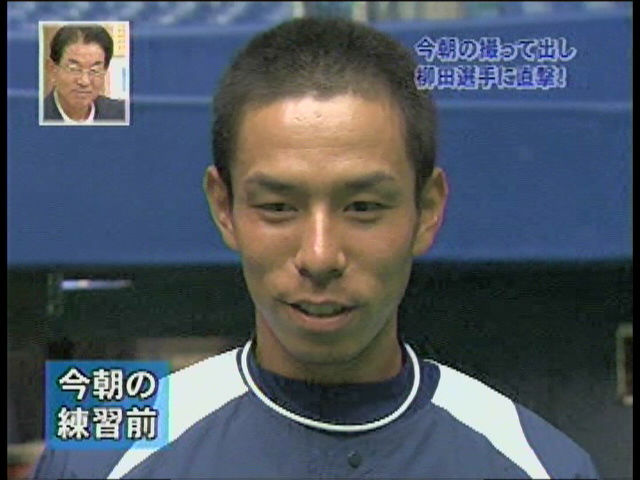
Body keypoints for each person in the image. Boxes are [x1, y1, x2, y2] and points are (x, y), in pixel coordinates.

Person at [32, 17, 599, 479]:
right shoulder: (102, 457)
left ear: (427, 210)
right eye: (279, 206)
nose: (321, 256)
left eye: (363, 207)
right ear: (224, 207)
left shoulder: (540, 464)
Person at [43, 24, 125, 123]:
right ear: (52, 70)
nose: (84, 81)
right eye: (74, 69)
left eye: (94, 70)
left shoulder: (121, 114)